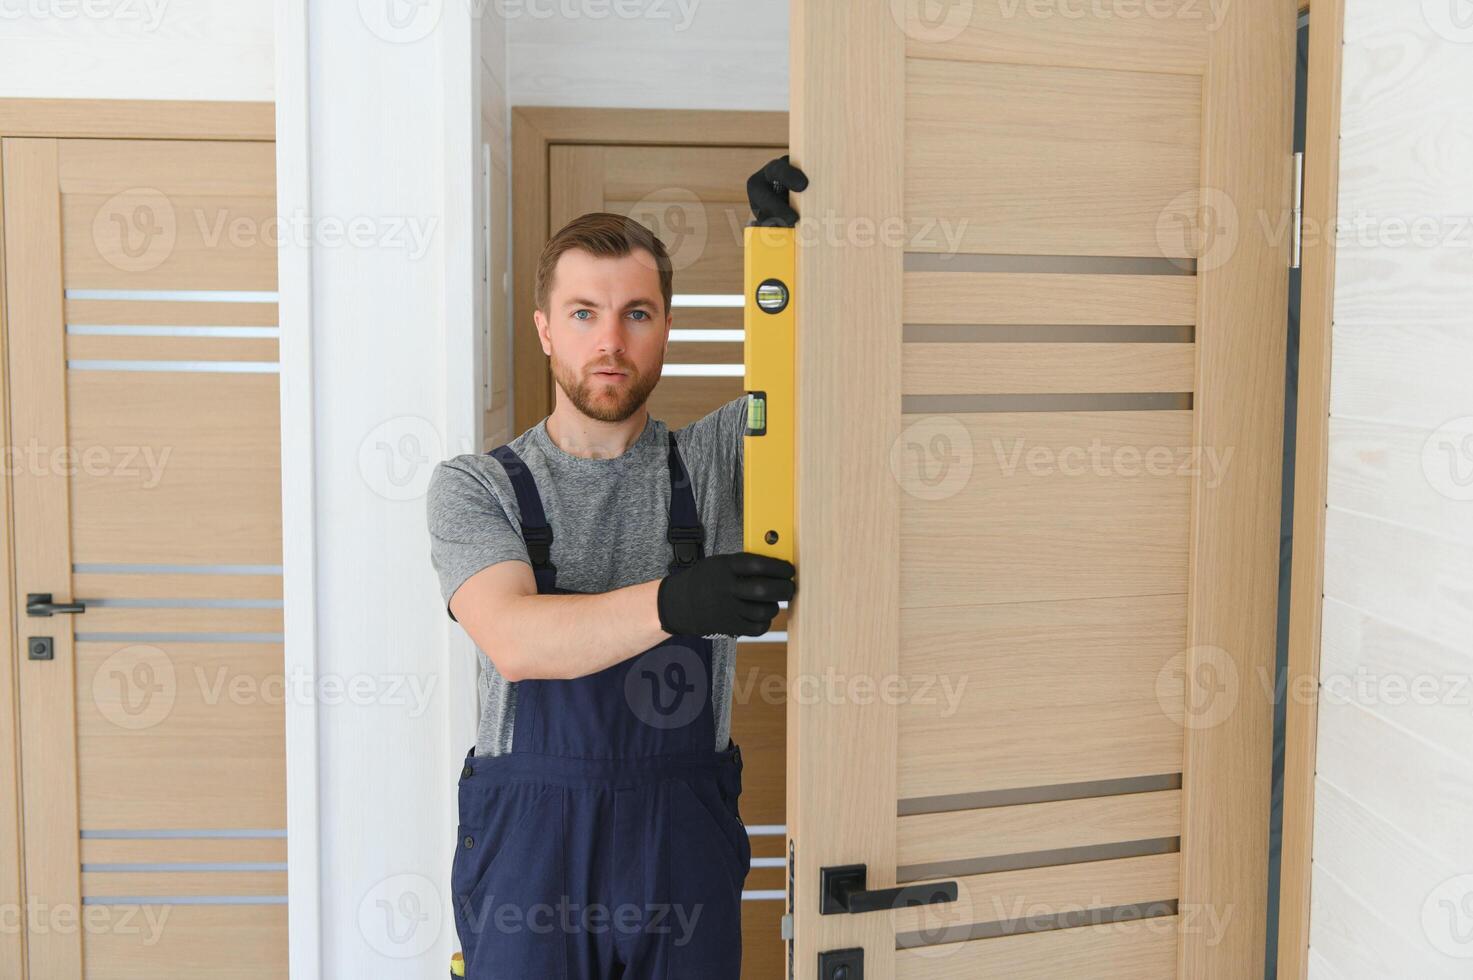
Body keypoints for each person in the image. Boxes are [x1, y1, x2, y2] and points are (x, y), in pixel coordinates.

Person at [426, 156, 806, 980]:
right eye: (584, 313)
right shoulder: (475, 485)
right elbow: (516, 641)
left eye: (636, 313)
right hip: (530, 851)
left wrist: (791, 248)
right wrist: (677, 600)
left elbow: (822, 374)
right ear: (544, 329)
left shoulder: (716, 461)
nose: (610, 341)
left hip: (681, 839)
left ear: (665, 326)